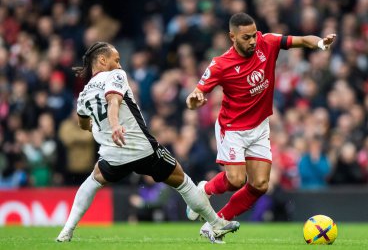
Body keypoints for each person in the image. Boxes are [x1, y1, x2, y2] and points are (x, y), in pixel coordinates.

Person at [56, 42, 240, 244]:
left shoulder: (83, 94)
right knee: (182, 180)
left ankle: (67, 230)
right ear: (102, 60)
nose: (119, 65)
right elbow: (113, 100)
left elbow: (84, 124)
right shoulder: (116, 75)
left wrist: (102, 128)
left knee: (93, 181)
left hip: (113, 152)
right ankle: (215, 223)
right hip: (140, 147)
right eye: (116, 60)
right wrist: (115, 124)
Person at [185, 13, 336, 225]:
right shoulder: (220, 64)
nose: (253, 41)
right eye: (246, 37)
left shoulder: (268, 42)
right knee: (237, 180)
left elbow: (301, 40)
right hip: (233, 128)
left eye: (254, 35)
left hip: (260, 126)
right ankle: (205, 189)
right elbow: (196, 94)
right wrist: (195, 100)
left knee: (260, 184)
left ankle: (216, 223)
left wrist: (320, 42)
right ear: (232, 37)